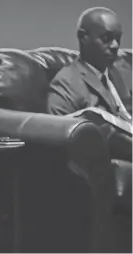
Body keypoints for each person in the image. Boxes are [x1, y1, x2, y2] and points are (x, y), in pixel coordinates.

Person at [47, 7, 132, 161]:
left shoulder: (122, 70)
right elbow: (56, 135)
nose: (115, 45)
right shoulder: (67, 82)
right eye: (106, 38)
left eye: (117, 38)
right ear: (83, 37)